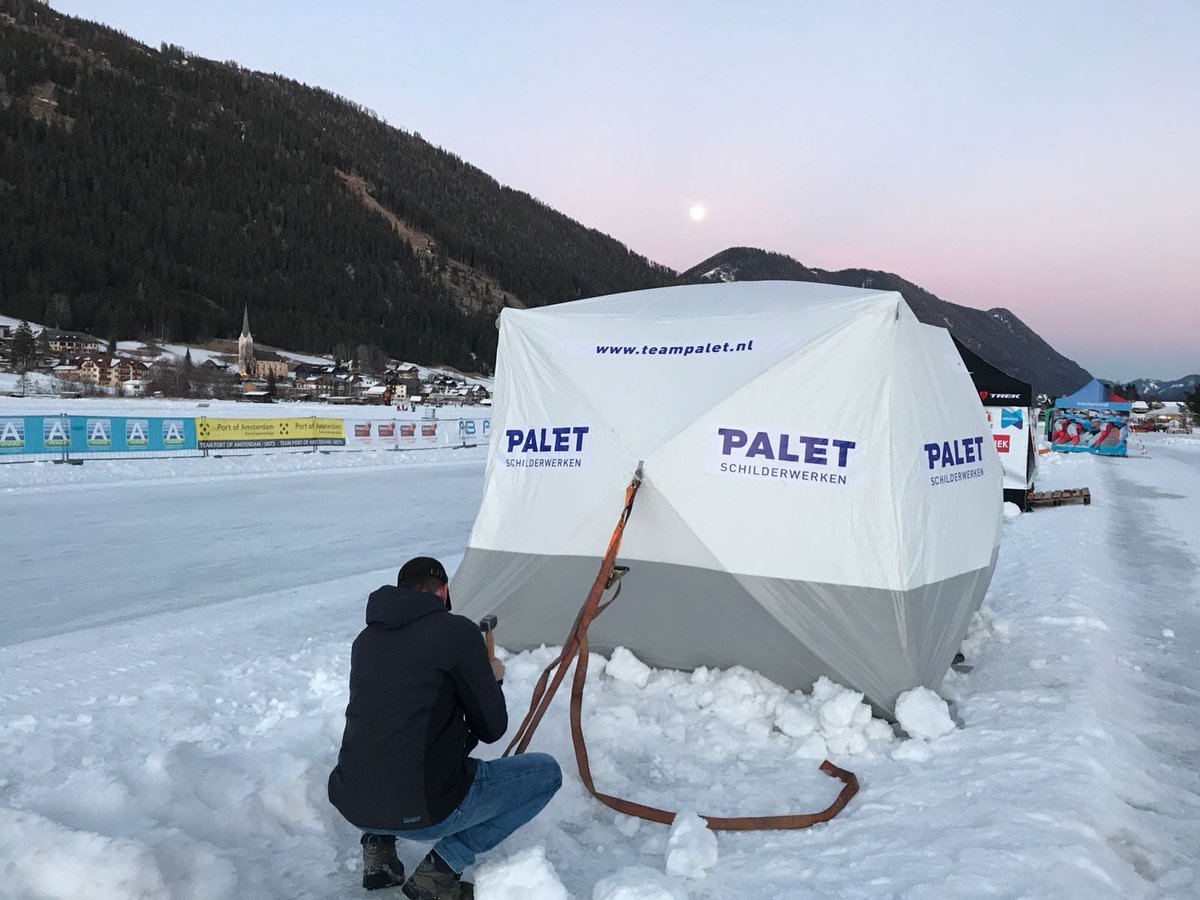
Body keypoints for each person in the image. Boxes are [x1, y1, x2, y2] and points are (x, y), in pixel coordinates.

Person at [328, 556, 562, 899]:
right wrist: (491, 679)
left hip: (353, 802)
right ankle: (442, 870)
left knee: (390, 738)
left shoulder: (365, 640)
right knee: (547, 774)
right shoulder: (456, 632)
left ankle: (377, 850)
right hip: (425, 808)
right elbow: (492, 728)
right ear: (444, 592)